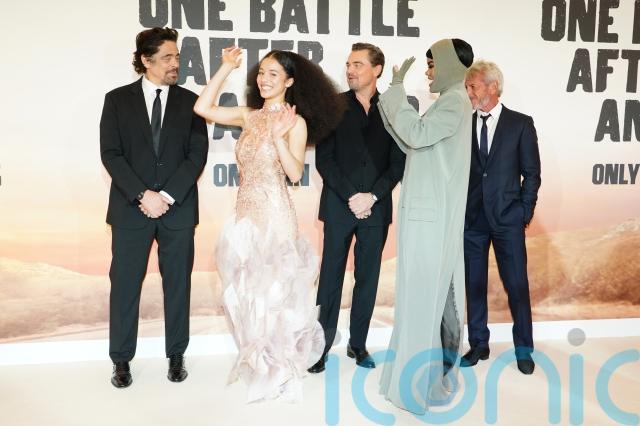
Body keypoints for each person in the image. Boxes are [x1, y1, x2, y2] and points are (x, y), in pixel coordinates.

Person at [193, 47, 344, 402]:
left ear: (290, 82)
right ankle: (262, 365)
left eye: (273, 74)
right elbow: (203, 108)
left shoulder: (295, 122)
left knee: (277, 295)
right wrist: (225, 67)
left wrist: (279, 137)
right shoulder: (249, 115)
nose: (264, 79)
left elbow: (294, 173)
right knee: (249, 294)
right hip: (245, 217)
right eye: (261, 72)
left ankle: (281, 368)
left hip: (275, 215)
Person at [100, 27, 208, 388]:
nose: (175, 63)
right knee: (125, 286)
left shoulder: (192, 102)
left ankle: (176, 355)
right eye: (167, 57)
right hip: (131, 210)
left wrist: (168, 196)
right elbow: (111, 154)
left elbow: (196, 156)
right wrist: (142, 194)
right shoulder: (117, 100)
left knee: (178, 286)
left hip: (178, 211)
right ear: (146, 60)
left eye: (177, 56)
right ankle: (121, 361)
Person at [376, 38, 474, 413]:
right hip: (427, 217)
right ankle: (416, 379)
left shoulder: (454, 101)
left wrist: (396, 91)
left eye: (432, 65)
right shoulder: (450, 101)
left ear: (449, 65)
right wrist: (393, 99)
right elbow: (412, 143)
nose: (429, 73)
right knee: (418, 302)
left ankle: (415, 387)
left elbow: (415, 134)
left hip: (431, 221)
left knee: (421, 303)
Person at [308, 43, 405, 374]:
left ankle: (358, 345)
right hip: (339, 205)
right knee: (330, 279)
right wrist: (353, 196)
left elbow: (398, 162)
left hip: (376, 210)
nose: (350, 70)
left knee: (367, 278)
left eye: (358, 65)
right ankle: (320, 347)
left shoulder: (394, 108)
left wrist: (372, 196)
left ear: (377, 69)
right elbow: (325, 160)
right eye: (349, 65)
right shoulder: (333, 106)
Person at [461, 60, 541, 375]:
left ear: (493, 87)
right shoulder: (463, 124)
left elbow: (532, 174)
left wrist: (523, 212)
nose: (469, 92)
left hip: (508, 219)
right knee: (474, 284)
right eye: (467, 87)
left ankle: (523, 349)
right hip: (472, 220)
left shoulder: (520, 124)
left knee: (517, 284)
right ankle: (478, 344)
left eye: (473, 86)